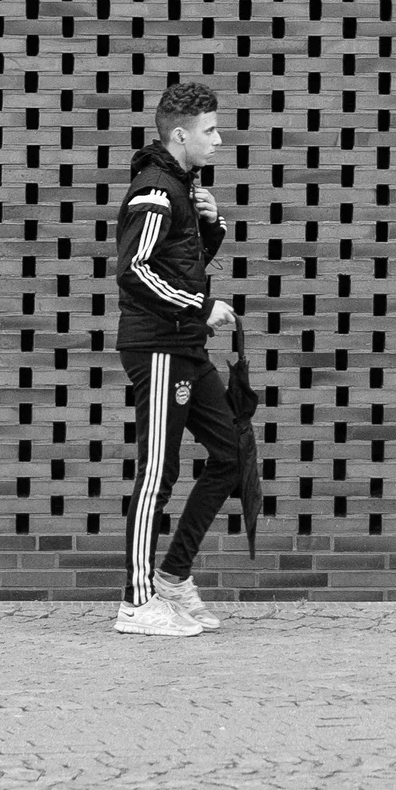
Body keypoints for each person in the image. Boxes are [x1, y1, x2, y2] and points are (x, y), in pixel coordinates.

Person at [113, 78, 243, 638]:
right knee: (157, 474)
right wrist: (202, 304)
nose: (219, 140)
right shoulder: (155, 190)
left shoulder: (181, 188)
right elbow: (135, 271)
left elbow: (175, 262)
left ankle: (172, 577)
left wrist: (211, 227)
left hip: (184, 342)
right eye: (211, 131)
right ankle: (137, 603)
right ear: (182, 134)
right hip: (158, 346)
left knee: (232, 453)